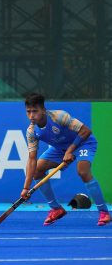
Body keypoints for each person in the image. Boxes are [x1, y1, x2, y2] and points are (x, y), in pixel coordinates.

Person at [23, 93, 110, 226]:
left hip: (83, 143)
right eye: (28, 112)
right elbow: (32, 159)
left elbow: (86, 131)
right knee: (37, 171)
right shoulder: (31, 131)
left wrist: (70, 150)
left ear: (43, 110)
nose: (31, 115)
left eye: (35, 111)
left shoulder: (59, 116)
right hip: (59, 149)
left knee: (83, 171)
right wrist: (26, 187)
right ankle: (56, 209)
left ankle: (104, 212)